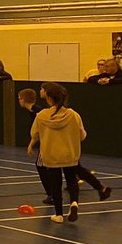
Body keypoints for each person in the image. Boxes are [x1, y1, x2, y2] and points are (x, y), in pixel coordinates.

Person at [18, 88, 111, 204]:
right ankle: (99, 188)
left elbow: (39, 132)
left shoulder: (40, 112)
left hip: (56, 145)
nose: (41, 91)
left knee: (47, 167)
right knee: (76, 168)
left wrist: (32, 143)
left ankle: (53, 195)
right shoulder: (39, 111)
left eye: (43, 89)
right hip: (64, 146)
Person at [28, 82, 88, 223]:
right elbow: (82, 135)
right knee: (71, 180)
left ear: (48, 98)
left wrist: (32, 144)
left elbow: (34, 134)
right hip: (70, 155)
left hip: (51, 156)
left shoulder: (42, 115)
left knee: (56, 183)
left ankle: (59, 214)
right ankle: (74, 203)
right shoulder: (73, 115)